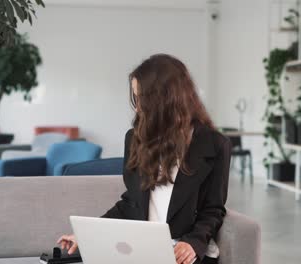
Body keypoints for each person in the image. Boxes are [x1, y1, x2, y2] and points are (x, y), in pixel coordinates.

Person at [58, 54, 232, 264]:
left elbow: (213, 209)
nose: (137, 107)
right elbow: (131, 202)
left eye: (142, 98)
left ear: (166, 99)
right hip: (141, 251)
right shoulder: (134, 139)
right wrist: (86, 235)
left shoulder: (215, 144)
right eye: (135, 97)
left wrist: (193, 243)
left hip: (183, 254)